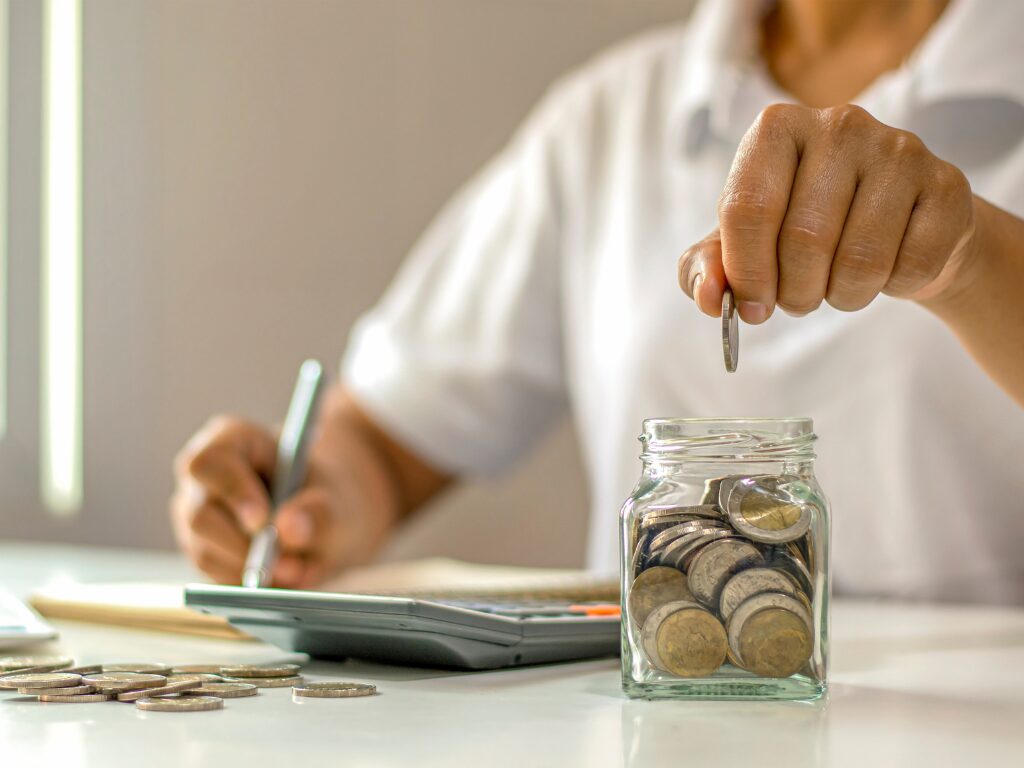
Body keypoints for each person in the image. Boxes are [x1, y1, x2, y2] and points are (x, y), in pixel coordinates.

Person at [170, 0, 1024, 605]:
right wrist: (307, 499)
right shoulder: (611, 115)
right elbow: (389, 441)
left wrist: (969, 260)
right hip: (660, 729)